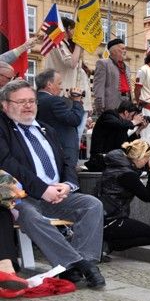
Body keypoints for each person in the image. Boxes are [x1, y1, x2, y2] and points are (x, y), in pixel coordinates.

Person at [0, 80, 105, 287]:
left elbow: (67, 161)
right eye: (21, 102)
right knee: (30, 216)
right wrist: (42, 189)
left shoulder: (47, 129)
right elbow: (8, 163)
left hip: (58, 193)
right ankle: (79, 265)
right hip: (22, 196)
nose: (28, 106)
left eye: (31, 101)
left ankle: (78, 265)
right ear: (5, 105)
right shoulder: (4, 129)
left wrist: (68, 184)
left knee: (93, 205)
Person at [98, 140, 150, 251]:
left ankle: (104, 242)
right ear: (140, 157)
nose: (147, 162)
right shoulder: (127, 175)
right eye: (147, 158)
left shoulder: (115, 166)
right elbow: (147, 197)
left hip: (102, 219)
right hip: (113, 221)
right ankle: (108, 246)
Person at [44, 16, 92, 139]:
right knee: (70, 138)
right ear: (68, 29)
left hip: (69, 96)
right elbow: (71, 63)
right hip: (65, 96)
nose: (75, 33)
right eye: (74, 30)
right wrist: (79, 44)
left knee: (73, 137)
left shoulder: (64, 44)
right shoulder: (58, 43)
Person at [34, 70, 84, 171]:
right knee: (67, 179)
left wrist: (70, 100)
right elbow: (74, 120)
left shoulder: (34, 99)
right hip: (63, 149)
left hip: (45, 148)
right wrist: (77, 102)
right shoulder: (54, 101)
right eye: (59, 83)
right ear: (49, 84)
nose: (61, 87)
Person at [86, 101, 148, 171]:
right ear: (126, 113)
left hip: (112, 158)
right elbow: (118, 124)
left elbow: (124, 143)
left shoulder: (122, 124)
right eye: (133, 116)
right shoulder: (108, 115)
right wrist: (134, 122)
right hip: (99, 159)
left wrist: (139, 129)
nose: (132, 119)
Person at [93, 38, 132, 115]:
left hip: (126, 105)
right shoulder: (103, 64)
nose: (125, 51)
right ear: (114, 51)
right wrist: (100, 107)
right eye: (122, 48)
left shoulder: (127, 68)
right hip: (111, 106)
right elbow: (98, 87)